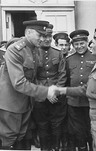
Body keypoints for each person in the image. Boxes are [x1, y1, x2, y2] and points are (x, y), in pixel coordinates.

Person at [0, 20, 58, 150]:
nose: (43, 39)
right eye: (40, 35)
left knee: (21, 139)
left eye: (45, 35)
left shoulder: (35, 50)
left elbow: (33, 78)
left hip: (26, 104)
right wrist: (45, 91)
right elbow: (19, 83)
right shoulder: (15, 50)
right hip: (11, 105)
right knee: (8, 140)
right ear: (29, 32)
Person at [32, 24, 67, 151]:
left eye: (49, 36)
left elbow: (62, 75)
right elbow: (33, 76)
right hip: (40, 97)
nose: (47, 39)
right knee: (42, 126)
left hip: (56, 97)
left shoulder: (58, 53)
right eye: (44, 36)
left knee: (56, 125)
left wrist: (56, 92)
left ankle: (56, 148)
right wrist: (45, 93)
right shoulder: (34, 53)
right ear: (40, 36)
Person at [65, 29, 96, 151]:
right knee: (78, 131)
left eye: (82, 43)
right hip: (74, 102)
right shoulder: (69, 59)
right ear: (73, 45)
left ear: (87, 42)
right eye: (76, 44)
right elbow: (67, 80)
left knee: (91, 130)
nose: (79, 46)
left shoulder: (95, 57)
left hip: (91, 101)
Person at [53, 32, 71, 151]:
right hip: (57, 96)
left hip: (70, 96)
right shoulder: (53, 58)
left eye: (65, 45)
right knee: (57, 124)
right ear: (55, 45)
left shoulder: (71, 58)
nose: (63, 47)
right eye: (60, 45)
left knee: (69, 125)